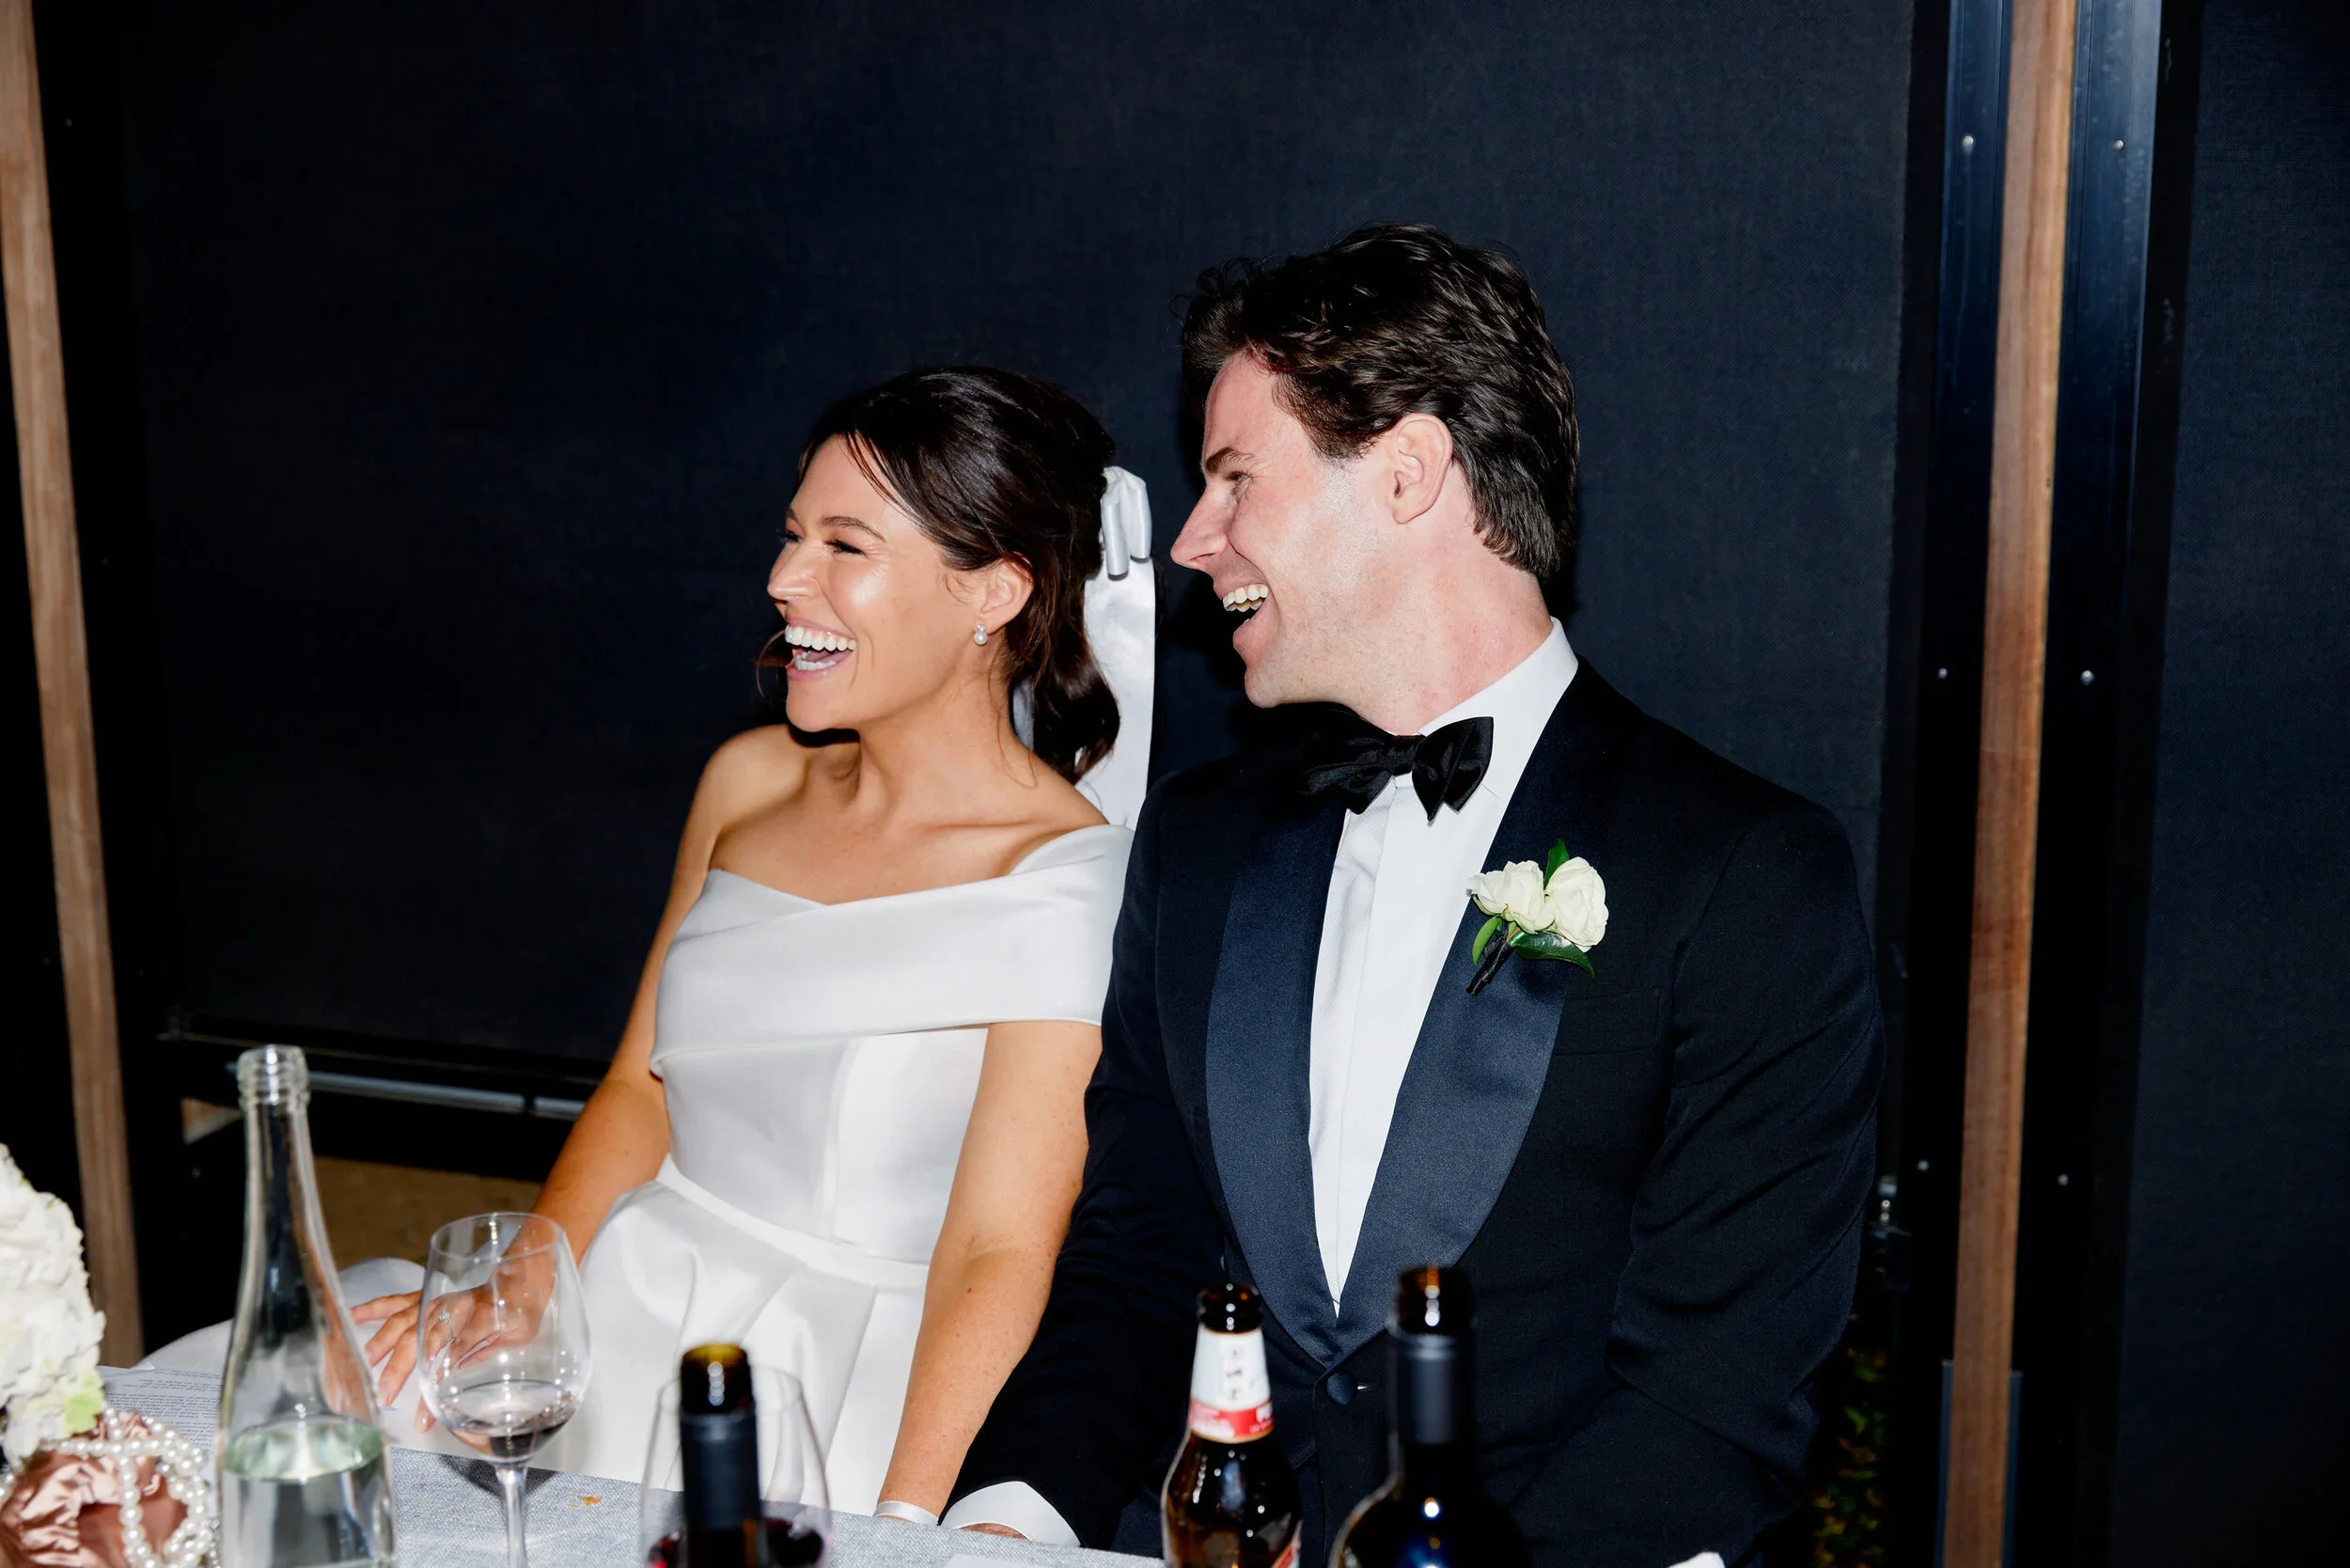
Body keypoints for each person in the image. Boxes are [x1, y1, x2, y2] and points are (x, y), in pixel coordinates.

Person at [943, 227, 1882, 1568]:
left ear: (1407, 471)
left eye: (1233, 478)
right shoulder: (1195, 847)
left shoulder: (1745, 877)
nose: (1196, 541)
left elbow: (1711, 1410)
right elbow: (1135, 1261)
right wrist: (1005, 1517)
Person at [347, 366, 1152, 1516]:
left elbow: (997, 1254)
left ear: (993, 592)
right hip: (622, 1310)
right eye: (789, 538)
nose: (784, 581)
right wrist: (524, 1292)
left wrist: (909, 1526)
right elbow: (638, 1088)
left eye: (844, 546)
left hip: (835, 1394)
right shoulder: (744, 781)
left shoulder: (1071, 885)